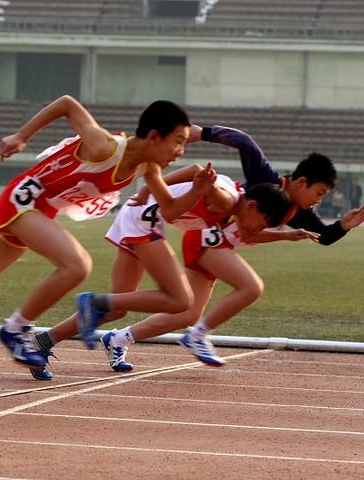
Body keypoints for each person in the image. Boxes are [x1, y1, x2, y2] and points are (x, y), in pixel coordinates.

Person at [0, 95, 216, 394]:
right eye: (178, 142)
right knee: (77, 265)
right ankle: (16, 331)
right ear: (154, 136)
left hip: (39, 211)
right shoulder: (104, 146)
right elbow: (68, 103)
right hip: (22, 201)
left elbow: (170, 209)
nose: (181, 152)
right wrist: (21, 136)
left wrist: (197, 192)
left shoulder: (148, 168)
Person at [98, 124, 364, 370]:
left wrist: (345, 225)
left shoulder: (299, 211)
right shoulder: (266, 178)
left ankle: (118, 339)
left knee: (187, 313)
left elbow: (324, 237)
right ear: (301, 182)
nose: (318, 201)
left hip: (218, 242)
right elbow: (245, 143)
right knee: (251, 287)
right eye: (319, 193)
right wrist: (202, 133)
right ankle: (198, 335)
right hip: (210, 237)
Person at [30, 162, 294, 379]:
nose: (259, 230)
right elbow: (195, 169)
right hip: (144, 220)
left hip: (137, 217)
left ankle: (42, 342)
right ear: (252, 206)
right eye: (264, 223)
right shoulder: (227, 201)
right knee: (180, 300)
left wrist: (286, 237)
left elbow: (238, 229)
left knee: (118, 310)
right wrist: (150, 187)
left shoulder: (235, 210)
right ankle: (93, 301)